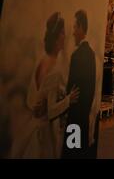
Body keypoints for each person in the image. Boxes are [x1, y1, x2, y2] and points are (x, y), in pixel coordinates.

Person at [21, 12, 80, 158]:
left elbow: (31, 101)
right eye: (62, 33)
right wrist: (68, 99)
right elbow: (52, 110)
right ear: (54, 38)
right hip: (46, 132)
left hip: (34, 129)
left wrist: (37, 107)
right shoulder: (54, 70)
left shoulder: (40, 61)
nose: (64, 37)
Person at [61, 10, 96, 159]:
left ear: (81, 28)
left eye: (75, 27)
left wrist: (65, 104)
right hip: (84, 111)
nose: (73, 32)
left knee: (71, 150)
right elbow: (91, 87)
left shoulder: (77, 55)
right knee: (80, 149)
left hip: (75, 112)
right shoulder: (91, 53)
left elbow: (72, 88)